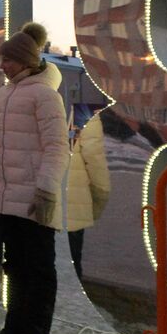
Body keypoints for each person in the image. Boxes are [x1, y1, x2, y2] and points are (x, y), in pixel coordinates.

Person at [0, 27, 69, 334]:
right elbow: (1, 145)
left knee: (38, 269)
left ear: (24, 60)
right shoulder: (6, 93)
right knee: (15, 266)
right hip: (8, 196)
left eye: (7, 59)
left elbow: (57, 147)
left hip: (35, 197)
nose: (2, 65)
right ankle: (14, 328)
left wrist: (47, 190)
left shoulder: (45, 95)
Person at [63, 116, 110, 281]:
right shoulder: (82, 110)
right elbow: (94, 157)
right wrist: (101, 195)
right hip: (69, 199)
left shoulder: (21, 97)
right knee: (69, 262)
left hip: (28, 199)